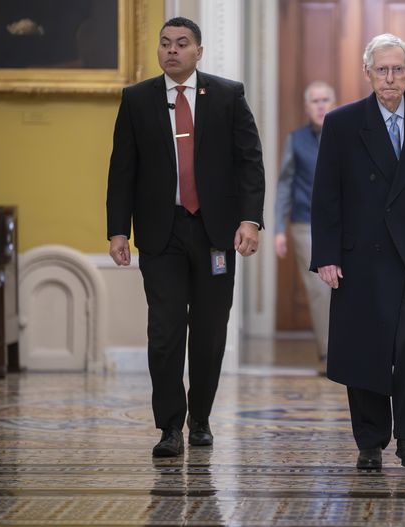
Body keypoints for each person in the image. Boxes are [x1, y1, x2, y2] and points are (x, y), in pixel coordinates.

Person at [106, 17, 265, 457]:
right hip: (162, 232)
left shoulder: (228, 95)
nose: (171, 50)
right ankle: (170, 427)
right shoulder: (137, 99)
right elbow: (122, 170)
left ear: (198, 51)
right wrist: (119, 229)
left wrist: (250, 220)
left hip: (215, 231)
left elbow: (250, 161)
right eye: (165, 44)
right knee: (165, 330)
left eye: (181, 44)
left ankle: (201, 419)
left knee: (211, 331)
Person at [310, 33, 405, 470]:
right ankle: (370, 442)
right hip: (361, 255)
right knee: (365, 349)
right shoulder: (342, 123)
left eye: (398, 69)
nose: (390, 78)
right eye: (382, 69)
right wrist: (326, 254)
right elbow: (326, 195)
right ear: (368, 73)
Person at [274, 81, 336, 370]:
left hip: (344, 226)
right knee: (319, 289)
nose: (321, 105)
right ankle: (328, 355)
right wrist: (277, 229)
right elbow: (284, 184)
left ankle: (352, 350)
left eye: (325, 100)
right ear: (307, 106)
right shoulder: (296, 140)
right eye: (315, 101)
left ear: (333, 103)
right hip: (305, 225)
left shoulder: (346, 134)